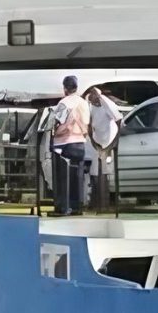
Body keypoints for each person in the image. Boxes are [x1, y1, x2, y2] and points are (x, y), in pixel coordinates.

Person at [50, 75, 91, 215]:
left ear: (65, 88)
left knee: (62, 177)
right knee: (77, 177)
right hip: (80, 143)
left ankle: (63, 207)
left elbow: (56, 122)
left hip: (63, 143)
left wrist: (53, 130)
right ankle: (77, 207)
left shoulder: (65, 102)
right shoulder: (84, 103)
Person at [85, 86, 122, 210]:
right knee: (96, 173)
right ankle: (97, 203)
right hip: (97, 142)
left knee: (105, 172)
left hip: (109, 141)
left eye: (95, 97)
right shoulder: (89, 105)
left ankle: (104, 204)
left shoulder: (107, 105)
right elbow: (89, 123)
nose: (93, 99)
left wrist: (101, 98)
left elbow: (117, 117)